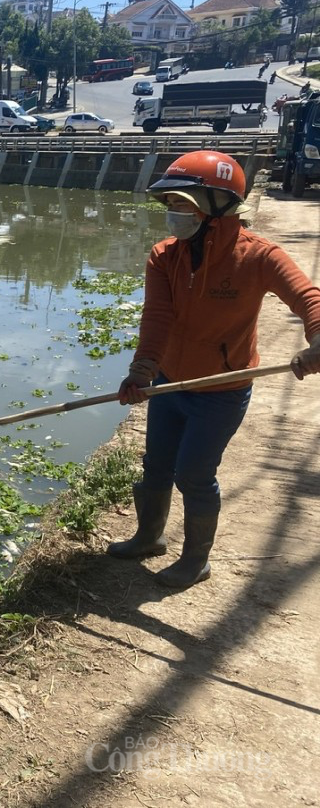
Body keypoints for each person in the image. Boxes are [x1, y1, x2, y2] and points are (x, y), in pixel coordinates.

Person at [109, 150, 320, 587]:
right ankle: (149, 537)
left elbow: (308, 297)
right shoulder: (164, 256)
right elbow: (158, 317)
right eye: (170, 204)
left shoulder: (259, 257)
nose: (174, 214)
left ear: (218, 205)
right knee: (157, 465)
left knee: (194, 473)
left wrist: (318, 341)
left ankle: (195, 560)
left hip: (222, 390)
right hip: (169, 384)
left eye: (183, 204)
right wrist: (143, 370)